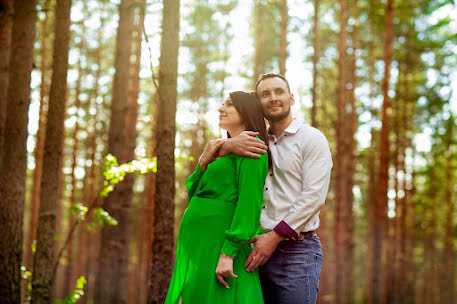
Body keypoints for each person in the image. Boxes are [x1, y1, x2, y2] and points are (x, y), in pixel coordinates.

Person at [219, 73, 333, 304]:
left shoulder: (311, 138)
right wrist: (225, 144)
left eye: (279, 92)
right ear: (258, 104)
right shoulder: (255, 141)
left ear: (291, 98)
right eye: (265, 94)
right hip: (252, 252)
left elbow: (314, 197)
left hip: (296, 253)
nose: (273, 98)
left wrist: (274, 236)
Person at [165, 91, 269, 304]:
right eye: (222, 104)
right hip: (199, 243)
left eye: (229, 105)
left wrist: (228, 253)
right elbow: (194, 191)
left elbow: (249, 203)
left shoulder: (252, 146)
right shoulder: (219, 149)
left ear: (246, 110)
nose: (221, 109)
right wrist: (206, 158)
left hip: (220, 241)